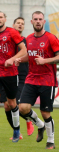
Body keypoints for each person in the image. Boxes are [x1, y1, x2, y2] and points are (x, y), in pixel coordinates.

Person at [14, 11, 59, 149]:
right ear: (31, 22)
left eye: (40, 19)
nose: (37, 21)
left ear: (44, 22)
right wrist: (20, 59)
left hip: (47, 80)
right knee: (23, 108)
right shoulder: (29, 39)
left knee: (45, 112)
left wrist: (45, 61)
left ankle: (51, 141)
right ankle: (40, 125)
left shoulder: (51, 38)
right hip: (31, 79)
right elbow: (30, 57)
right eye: (35, 19)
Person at [4, 17, 35, 140]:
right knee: (7, 105)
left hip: (22, 76)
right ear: (13, 25)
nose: (20, 25)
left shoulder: (27, 41)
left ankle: (28, 120)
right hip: (7, 74)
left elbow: (31, 55)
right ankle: (17, 132)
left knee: (18, 105)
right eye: (18, 23)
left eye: (23, 23)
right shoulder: (7, 39)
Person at [0, 11, 27, 142]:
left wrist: (12, 59)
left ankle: (17, 130)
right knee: (6, 105)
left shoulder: (12, 32)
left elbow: (24, 50)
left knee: (11, 103)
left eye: (0, 17)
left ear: (5, 19)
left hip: (10, 73)